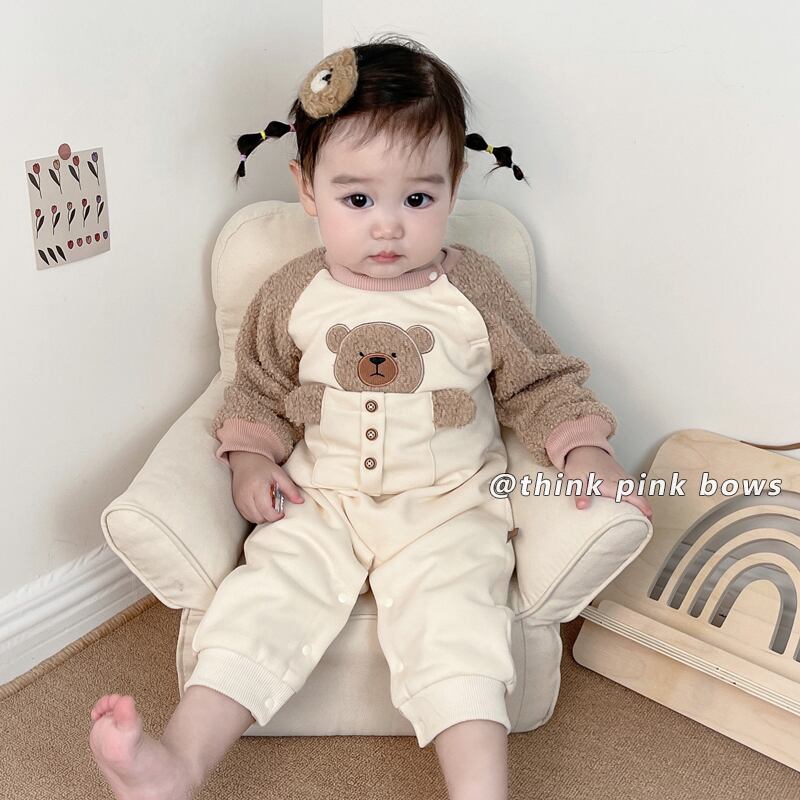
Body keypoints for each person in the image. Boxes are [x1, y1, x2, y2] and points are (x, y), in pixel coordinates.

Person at [88, 33, 653, 800]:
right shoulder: (292, 293)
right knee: (261, 601)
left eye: (417, 199)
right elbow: (255, 390)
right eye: (357, 200)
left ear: (452, 186)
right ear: (308, 189)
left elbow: (540, 380)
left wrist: (586, 451)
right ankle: (177, 765)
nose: (388, 226)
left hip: (449, 507)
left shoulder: (475, 289)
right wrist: (251, 461)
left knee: (458, 625)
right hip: (320, 500)